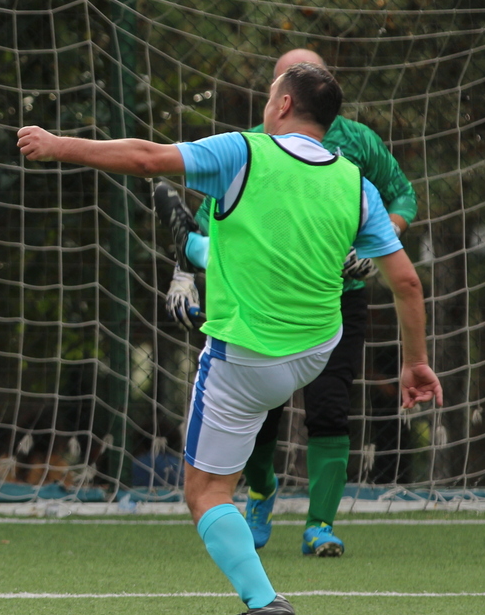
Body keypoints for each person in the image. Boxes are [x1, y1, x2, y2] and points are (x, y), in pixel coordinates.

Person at [17, 61, 441, 615]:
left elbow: (146, 159)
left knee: (206, 492)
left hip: (245, 359)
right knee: (261, 242)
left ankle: (264, 600)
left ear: (284, 104)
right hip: (315, 351)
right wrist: (415, 361)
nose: (267, 101)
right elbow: (407, 284)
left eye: (271, 93)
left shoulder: (244, 150)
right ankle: (197, 249)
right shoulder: (356, 182)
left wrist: (58, 144)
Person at [152, 49, 417, 558]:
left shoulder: (358, 144)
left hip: (337, 303)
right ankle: (261, 491)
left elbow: (402, 197)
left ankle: (320, 524)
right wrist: (182, 276)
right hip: (266, 302)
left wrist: (375, 245)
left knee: (330, 409)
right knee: (261, 416)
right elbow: (211, 221)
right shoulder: (252, 146)